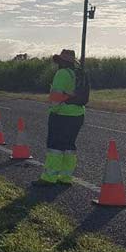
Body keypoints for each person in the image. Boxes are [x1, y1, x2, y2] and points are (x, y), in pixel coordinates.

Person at [36, 49, 85, 185]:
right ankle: (65, 177)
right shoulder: (78, 73)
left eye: (59, 61)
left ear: (63, 62)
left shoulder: (62, 73)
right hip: (78, 114)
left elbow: (56, 97)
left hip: (62, 114)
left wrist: (54, 110)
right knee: (69, 147)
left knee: (55, 146)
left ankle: (49, 177)